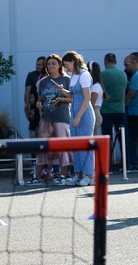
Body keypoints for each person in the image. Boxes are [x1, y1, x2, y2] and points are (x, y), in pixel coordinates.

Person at [31, 54, 72, 185]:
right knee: (42, 147)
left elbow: (74, 98)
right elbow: (40, 99)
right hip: (46, 118)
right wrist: (38, 104)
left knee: (63, 147)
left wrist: (62, 99)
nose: (51, 66)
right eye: (48, 64)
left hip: (62, 117)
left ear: (60, 65)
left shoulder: (67, 79)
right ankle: (36, 177)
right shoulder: (43, 81)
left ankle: (62, 175)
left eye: (53, 63)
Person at [63, 50, 96, 186]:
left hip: (84, 114)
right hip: (75, 113)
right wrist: (62, 91)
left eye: (67, 64)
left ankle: (89, 175)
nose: (66, 68)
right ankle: (79, 174)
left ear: (73, 61)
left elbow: (87, 97)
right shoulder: (73, 75)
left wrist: (78, 117)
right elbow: (73, 94)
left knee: (86, 144)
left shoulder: (84, 75)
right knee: (76, 145)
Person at [100, 53, 127, 167]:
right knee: (122, 138)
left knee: (107, 138)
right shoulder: (123, 74)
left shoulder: (102, 74)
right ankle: (126, 164)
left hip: (106, 110)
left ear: (105, 61)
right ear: (116, 61)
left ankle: (107, 165)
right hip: (120, 110)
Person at [24, 57, 46, 138]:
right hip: (34, 105)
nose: (38, 66)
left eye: (40, 65)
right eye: (37, 64)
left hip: (45, 105)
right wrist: (27, 105)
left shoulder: (48, 75)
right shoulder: (31, 75)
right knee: (33, 127)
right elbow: (27, 91)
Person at [89, 61, 104, 136]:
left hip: (95, 113)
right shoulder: (97, 85)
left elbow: (91, 103)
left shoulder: (95, 86)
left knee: (93, 139)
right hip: (96, 113)